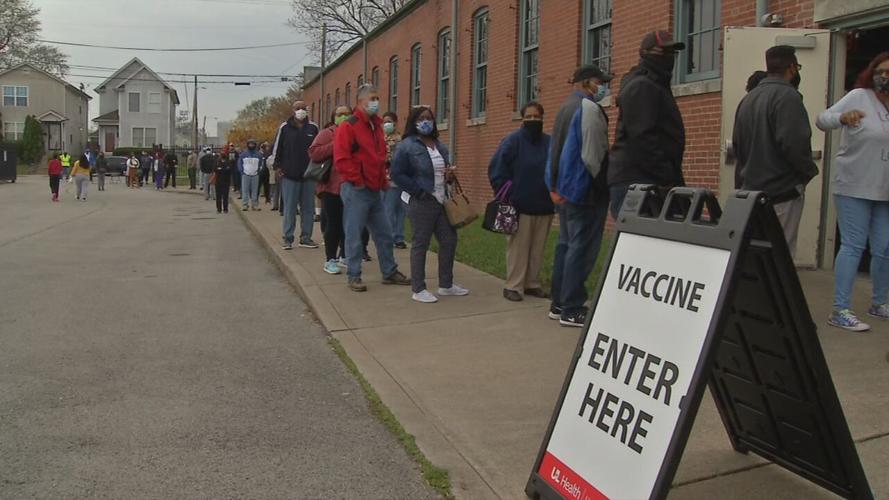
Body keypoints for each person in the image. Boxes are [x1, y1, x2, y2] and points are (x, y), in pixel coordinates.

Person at [816, 52, 889, 332]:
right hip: (854, 185)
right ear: (872, 73)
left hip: (884, 189)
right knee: (853, 245)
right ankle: (840, 309)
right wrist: (843, 118)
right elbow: (823, 119)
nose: (885, 77)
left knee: (884, 247)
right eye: (881, 71)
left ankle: (879, 302)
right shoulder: (860, 96)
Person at [733, 45, 819, 257]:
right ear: (792, 68)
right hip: (781, 191)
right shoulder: (788, 97)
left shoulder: (748, 99)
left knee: (757, 256)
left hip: (752, 191)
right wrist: (807, 173)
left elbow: (738, 144)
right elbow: (795, 144)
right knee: (780, 257)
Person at [335, 84, 411, 292]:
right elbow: (342, 159)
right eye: (372, 98)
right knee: (354, 234)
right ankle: (354, 275)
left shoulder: (376, 126)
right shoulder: (348, 126)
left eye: (377, 98)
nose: (376, 102)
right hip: (356, 190)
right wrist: (358, 181)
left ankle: (389, 271)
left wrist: (382, 182)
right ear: (360, 101)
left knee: (384, 233)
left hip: (375, 189)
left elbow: (377, 158)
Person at [391, 106, 467, 303]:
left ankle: (446, 285)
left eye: (429, 118)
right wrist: (419, 191)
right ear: (414, 121)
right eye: (422, 118)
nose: (426, 122)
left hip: (442, 200)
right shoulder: (407, 145)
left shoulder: (439, 146)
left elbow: (443, 174)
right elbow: (397, 174)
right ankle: (418, 288)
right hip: (421, 201)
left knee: (449, 240)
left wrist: (450, 176)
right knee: (420, 243)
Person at [609, 30, 687, 217]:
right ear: (645, 53)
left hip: (647, 180)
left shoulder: (655, 85)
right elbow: (643, 139)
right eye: (663, 52)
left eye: (672, 53)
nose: (669, 57)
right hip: (639, 182)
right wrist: (666, 177)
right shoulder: (642, 86)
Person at [489, 101, 556, 303]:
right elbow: (497, 169)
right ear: (522, 119)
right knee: (518, 249)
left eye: (537, 116)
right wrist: (508, 194)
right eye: (529, 117)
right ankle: (513, 285)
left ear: (542, 118)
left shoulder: (550, 142)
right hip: (518, 205)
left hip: (544, 204)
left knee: (537, 248)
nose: (533, 120)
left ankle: (532, 283)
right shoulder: (512, 140)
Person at [270, 100, 320, 249]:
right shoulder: (285, 128)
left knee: (308, 208)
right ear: (293, 110)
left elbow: (318, 148)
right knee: (290, 208)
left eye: (303, 108)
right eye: (298, 108)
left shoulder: (313, 127)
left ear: (307, 110)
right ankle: (288, 238)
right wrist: (277, 167)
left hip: (309, 175)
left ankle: (306, 237)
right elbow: (277, 149)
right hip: (289, 175)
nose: (300, 110)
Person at [310, 106, 352, 275]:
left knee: (348, 224)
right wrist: (336, 144)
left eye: (347, 114)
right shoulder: (327, 133)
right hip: (331, 186)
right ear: (334, 117)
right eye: (340, 114)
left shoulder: (355, 133)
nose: (343, 117)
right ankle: (330, 259)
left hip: (351, 187)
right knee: (333, 224)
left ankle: (344, 255)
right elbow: (313, 153)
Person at [382, 111, 407, 249]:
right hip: (386, 179)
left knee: (401, 210)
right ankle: (390, 236)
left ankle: (399, 237)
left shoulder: (401, 140)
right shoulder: (380, 139)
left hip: (400, 178)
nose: (387, 124)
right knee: (388, 209)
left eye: (389, 121)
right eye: (384, 121)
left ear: (395, 123)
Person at [239, 139, 263, 211]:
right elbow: (239, 163)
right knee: (245, 190)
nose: (251, 145)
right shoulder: (243, 154)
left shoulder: (259, 155)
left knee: (255, 191)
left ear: (255, 145)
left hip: (255, 175)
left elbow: (261, 164)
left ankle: (254, 205)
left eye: (252, 144)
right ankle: (245, 205)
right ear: (247, 145)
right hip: (245, 175)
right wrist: (242, 172)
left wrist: (258, 172)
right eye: (250, 144)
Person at [215, 146, 233, 214]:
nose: (222, 154)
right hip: (218, 181)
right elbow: (215, 169)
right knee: (218, 196)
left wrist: (221, 169)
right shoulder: (217, 161)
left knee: (225, 196)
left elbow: (229, 169)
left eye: (224, 152)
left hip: (226, 181)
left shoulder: (228, 161)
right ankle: (219, 209)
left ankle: (225, 209)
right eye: (221, 152)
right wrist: (223, 169)